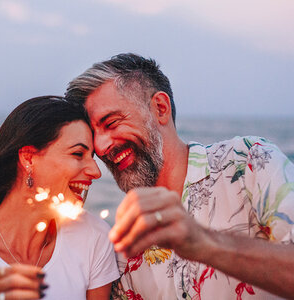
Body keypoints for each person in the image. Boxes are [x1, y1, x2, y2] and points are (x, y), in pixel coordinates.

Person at [65, 53, 294, 299]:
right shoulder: (125, 245)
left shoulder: (248, 162)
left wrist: (202, 242)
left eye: (111, 123)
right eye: (93, 134)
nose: (100, 147)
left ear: (160, 109)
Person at [0, 96, 120, 300]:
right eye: (78, 154)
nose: (95, 171)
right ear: (28, 158)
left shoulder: (93, 236)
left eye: (92, 158)